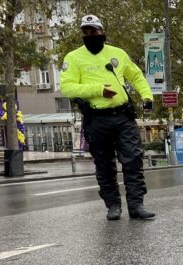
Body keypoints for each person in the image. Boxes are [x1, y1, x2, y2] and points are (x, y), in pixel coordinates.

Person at [60, 15, 155, 220]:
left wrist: (147, 95)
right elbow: (67, 87)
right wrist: (99, 90)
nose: (89, 35)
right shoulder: (73, 58)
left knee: (133, 161)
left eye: (93, 31)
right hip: (96, 119)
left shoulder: (117, 54)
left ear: (102, 32)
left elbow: (136, 76)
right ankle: (113, 206)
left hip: (122, 116)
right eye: (85, 32)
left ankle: (136, 205)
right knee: (104, 164)